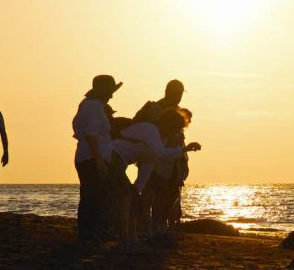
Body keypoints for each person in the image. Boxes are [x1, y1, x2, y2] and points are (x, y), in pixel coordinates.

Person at [107, 109, 201, 243]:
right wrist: (185, 149)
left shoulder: (156, 141)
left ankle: (130, 236)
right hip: (111, 156)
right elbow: (161, 153)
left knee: (131, 196)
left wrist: (138, 187)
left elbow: (149, 163)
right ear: (169, 125)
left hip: (117, 162)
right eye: (175, 129)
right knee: (126, 195)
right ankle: (125, 236)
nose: (175, 133)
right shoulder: (150, 130)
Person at [134, 79, 189, 236]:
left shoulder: (175, 110)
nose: (179, 97)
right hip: (155, 159)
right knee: (151, 194)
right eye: (176, 93)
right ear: (168, 92)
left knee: (167, 193)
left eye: (180, 94)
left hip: (172, 160)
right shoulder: (156, 109)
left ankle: (160, 227)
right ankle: (147, 227)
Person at [72, 75, 121, 242]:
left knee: (93, 195)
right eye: (109, 91)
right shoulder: (94, 106)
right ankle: (91, 233)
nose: (111, 95)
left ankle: (90, 232)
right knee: (96, 196)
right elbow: (91, 134)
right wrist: (99, 160)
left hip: (90, 156)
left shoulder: (90, 104)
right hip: (92, 157)